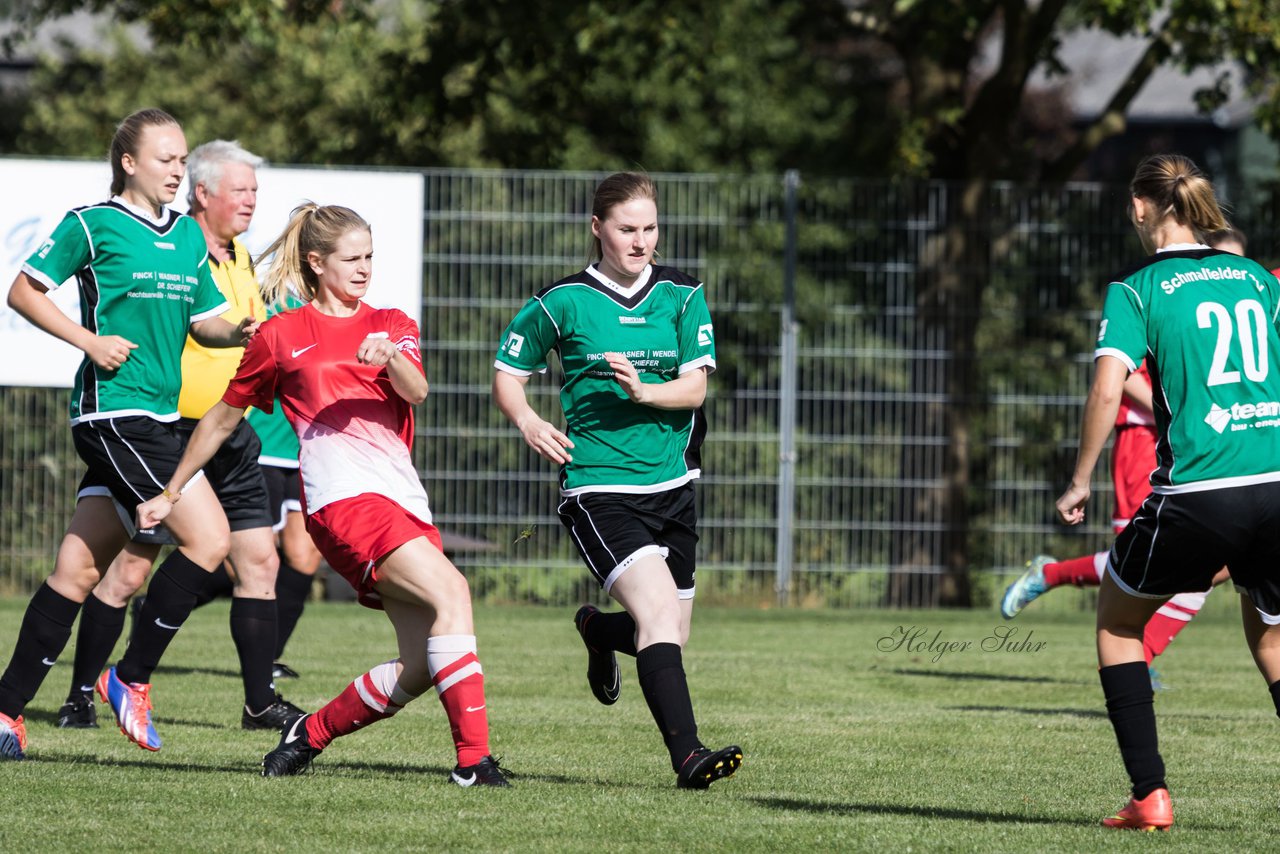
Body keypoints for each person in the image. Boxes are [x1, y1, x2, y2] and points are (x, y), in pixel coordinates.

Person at [136, 203, 508, 785]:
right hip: (341, 501)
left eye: (369, 257)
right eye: (351, 258)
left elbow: (417, 391)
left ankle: (306, 735)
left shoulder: (391, 322)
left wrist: (389, 356)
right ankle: (473, 763)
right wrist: (172, 489)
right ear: (316, 262)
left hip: (402, 499)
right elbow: (221, 420)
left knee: (418, 666)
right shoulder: (282, 335)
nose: (364, 269)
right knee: (453, 592)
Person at [0, 109, 256, 760]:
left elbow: (207, 324)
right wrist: (88, 340)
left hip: (158, 419)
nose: (178, 170)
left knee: (77, 569)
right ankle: (129, 677)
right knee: (209, 539)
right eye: (167, 159)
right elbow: (23, 292)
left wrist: (246, 331)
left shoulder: (188, 238)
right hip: (113, 414)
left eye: (182, 159)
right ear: (130, 163)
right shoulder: (92, 224)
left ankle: (4, 713)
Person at [492, 171, 742, 789]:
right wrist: (525, 419)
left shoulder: (683, 295)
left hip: (673, 485)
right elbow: (508, 370)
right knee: (659, 617)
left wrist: (645, 389)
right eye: (627, 229)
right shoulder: (563, 301)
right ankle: (688, 758)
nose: (640, 241)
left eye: (649, 228)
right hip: (598, 487)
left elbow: (696, 387)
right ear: (597, 228)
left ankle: (597, 629)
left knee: (671, 634)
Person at [1056, 153, 1280, 830]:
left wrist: (1080, 477)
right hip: (1275, 487)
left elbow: (1106, 387)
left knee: (1120, 624)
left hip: (1200, 493)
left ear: (1140, 207)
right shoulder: (1254, 278)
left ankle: (1149, 795)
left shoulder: (1137, 289)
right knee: (1272, 636)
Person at [53, 140, 303, 733]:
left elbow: (232, 332)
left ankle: (258, 702)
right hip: (176, 432)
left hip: (231, 430)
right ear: (203, 193)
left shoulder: (240, 256)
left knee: (260, 562)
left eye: (254, 191)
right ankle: (82, 695)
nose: (250, 201)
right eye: (239, 190)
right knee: (129, 570)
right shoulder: (176, 247)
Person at [1001, 231, 1247, 684]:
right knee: (1147, 562)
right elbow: (1121, 375)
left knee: (1207, 570)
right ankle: (1070, 594)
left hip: (1204, 454)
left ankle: (1136, 655)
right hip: (1145, 445)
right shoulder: (1159, 293)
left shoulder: (1241, 301)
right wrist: (1177, 405)